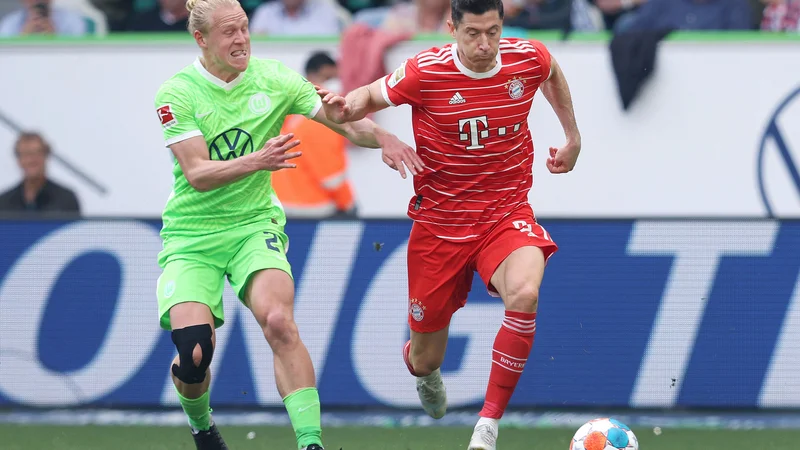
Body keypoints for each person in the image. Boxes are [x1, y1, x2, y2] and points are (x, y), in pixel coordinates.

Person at [152, 1, 422, 449]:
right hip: (191, 235)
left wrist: (385, 137)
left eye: (243, 28)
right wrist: (258, 160)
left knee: (278, 321)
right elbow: (198, 174)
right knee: (195, 352)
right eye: (228, 33)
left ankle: (311, 442)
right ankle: (203, 428)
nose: (241, 40)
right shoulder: (177, 93)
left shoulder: (274, 78)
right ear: (201, 39)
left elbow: (340, 118)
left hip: (254, 225)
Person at [316, 0, 581, 449]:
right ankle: (424, 370)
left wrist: (572, 136)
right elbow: (371, 94)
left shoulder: (525, 57)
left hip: (505, 213)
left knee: (525, 293)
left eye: (493, 32)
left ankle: (487, 426)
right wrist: (349, 104)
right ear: (451, 28)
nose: (484, 45)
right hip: (440, 226)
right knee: (424, 357)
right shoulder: (424, 72)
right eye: (473, 33)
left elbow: (551, 70)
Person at [273, 51, 358, 218]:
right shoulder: (322, 115)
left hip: (281, 207)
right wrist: (349, 205)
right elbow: (331, 175)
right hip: (313, 209)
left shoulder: (287, 109)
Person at [0, 131, 81, 216]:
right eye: (25, 155)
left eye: (36, 153)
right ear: (19, 160)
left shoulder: (66, 199)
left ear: (46, 156)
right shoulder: (4, 202)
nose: (31, 160)